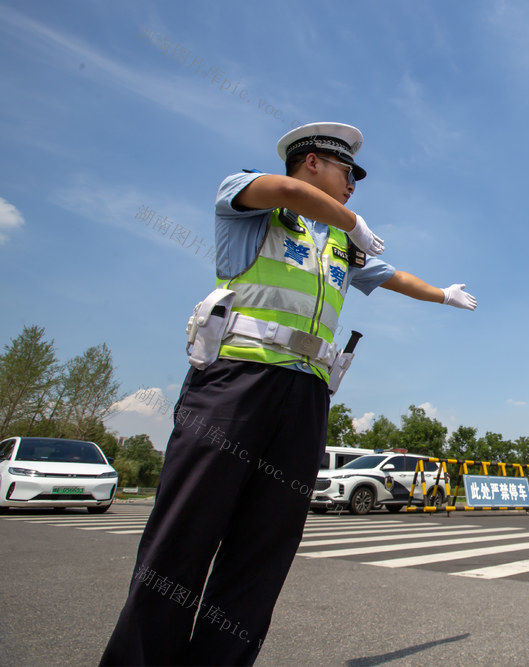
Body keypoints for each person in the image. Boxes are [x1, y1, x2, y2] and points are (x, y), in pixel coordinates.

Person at [101, 122, 476, 665]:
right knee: (183, 537)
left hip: (306, 397)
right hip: (235, 384)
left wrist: (443, 295)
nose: (352, 185)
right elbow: (289, 192)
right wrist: (353, 221)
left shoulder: (344, 245)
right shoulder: (251, 199)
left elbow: (392, 277)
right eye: (348, 172)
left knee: (264, 550)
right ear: (313, 162)